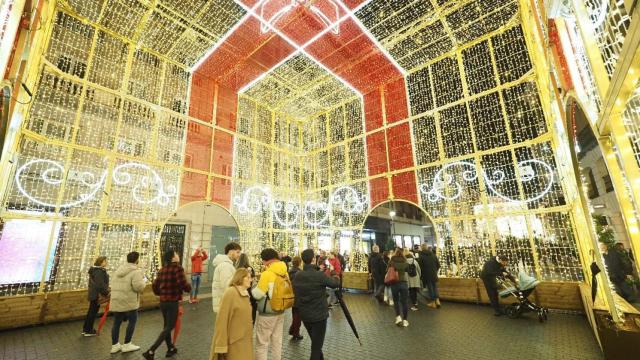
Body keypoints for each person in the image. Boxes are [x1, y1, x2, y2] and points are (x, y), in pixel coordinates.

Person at [292, 249, 340, 360]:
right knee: (316, 347)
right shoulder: (319, 276)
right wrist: (333, 272)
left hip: (305, 315)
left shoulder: (298, 275)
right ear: (314, 259)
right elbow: (335, 283)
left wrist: (318, 270)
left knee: (316, 343)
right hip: (319, 316)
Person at [143, 250, 191, 360]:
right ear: (173, 258)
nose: (178, 255)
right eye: (176, 254)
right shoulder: (177, 268)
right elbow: (183, 283)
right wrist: (188, 288)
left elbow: (155, 285)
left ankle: (170, 348)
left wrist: (160, 293)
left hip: (163, 301)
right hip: (172, 301)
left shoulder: (162, 270)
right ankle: (151, 350)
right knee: (170, 326)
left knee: (166, 326)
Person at [251, 248, 289, 360]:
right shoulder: (284, 272)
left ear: (266, 260)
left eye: (262, 260)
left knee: (262, 344)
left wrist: (253, 286)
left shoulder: (267, 274)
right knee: (277, 341)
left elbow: (258, 294)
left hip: (267, 313)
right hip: (280, 311)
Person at [210, 268, 254, 360]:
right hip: (234, 343)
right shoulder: (231, 292)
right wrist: (221, 346)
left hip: (245, 342)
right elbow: (222, 320)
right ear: (241, 278)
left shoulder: (245, 294)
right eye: (248, 277)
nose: (251, 280)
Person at [109, 252, 146, 354]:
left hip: (117, 300)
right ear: (136, 260)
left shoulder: (119, 270)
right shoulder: (136, 272)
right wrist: (144, 281)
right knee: (132, 321)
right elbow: (138, 287)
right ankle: (127, 344)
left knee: (116, 323)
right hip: (129, 301)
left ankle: (115, 345)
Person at [82, 256, 109, 337]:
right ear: (101, 262)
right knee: (92, 312)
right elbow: (100, 284)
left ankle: (86, 329)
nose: (106, 262)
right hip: (96, 294)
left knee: (91, 311)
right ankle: (88, 330)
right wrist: (106, 292)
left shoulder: (96, 270)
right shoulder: (99, 271)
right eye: (105, 261)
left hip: (93, 293)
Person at [212, 242, 242, 313]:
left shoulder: (226, 264)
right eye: (237, 252)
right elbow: (227, 286)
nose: (239, 255)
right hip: (226, 306)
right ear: (231, 252)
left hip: (224, 304)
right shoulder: (225, 266)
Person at [388, 248, 410, 326]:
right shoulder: (405, 260)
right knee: (404, 302)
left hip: (394, 283)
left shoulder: (391, 261)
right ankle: (405, 320)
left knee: (396, 301)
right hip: (403, 283)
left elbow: (387, 270)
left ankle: (398, 317)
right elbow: (408, 270)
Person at [236, 253, 258, 324]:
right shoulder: (249, 268)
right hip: (250, 294)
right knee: (251, 316)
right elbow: (253, 281)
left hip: (239, 293)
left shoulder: (236, 268)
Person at [418, 244, 441, 308]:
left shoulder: (421, 256)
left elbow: (420, 267)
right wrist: (435, 271)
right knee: (435, 287)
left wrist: (422, 275)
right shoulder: (433, 255)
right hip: (434, 274)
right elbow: (438, 265)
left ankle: (433, 303)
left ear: (422, 248)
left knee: (430, 289)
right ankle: (438, 301)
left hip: (427, 275)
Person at [288, 256, 303, 341]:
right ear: (300, 263)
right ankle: (295, 333)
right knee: (298, 317)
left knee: (295, 315)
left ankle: (293, 331)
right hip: (299, 297)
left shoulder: (289, 272)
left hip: (291, 296)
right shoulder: (300, 273)